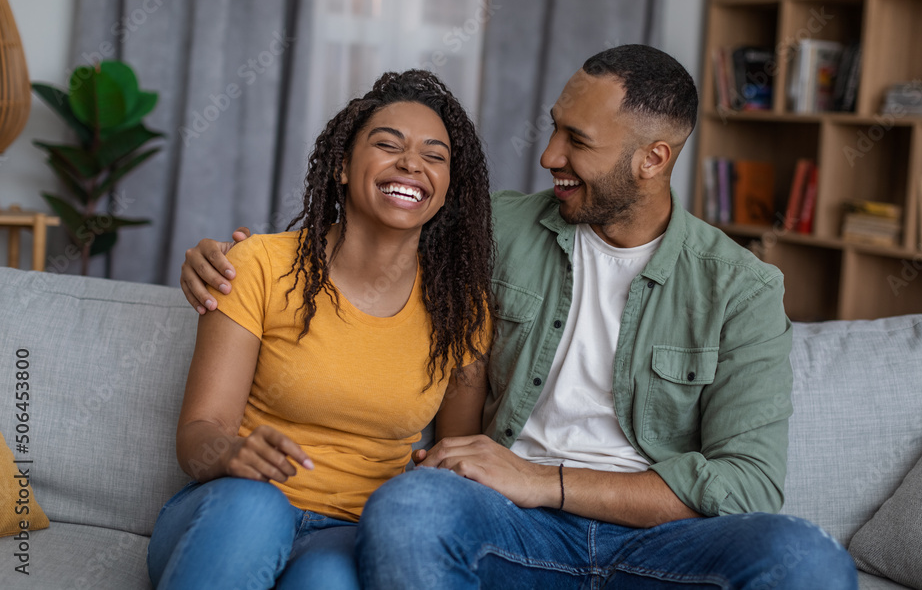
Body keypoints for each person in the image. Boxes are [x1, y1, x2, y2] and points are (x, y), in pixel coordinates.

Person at [181, 45, 858, 589]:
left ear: (653, 160)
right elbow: (381, 225)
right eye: (554, 127)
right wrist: (220, 259)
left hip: (661, 538)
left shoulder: (740, 289)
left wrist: (546, 480)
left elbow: (750, 483)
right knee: (410, 505)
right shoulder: (494, 228)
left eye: (576, 140)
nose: (548, 156)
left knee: (808, 558)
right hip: (511, 524)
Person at [149, 69, 494, 590]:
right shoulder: (258, 265)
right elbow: (198, 433)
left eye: (434, 155)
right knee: (256, 513)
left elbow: (454, 460)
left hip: (348, 531)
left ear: (447, 190)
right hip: (231, 507)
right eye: (387, 144)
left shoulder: (460, 309)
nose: (411, 164)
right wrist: (233, 453)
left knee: (329, 580)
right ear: (340, 165)